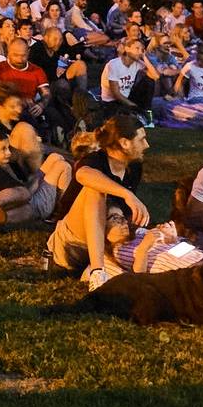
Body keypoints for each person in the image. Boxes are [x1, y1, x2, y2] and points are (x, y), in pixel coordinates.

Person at [48, 113, 151, 289]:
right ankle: (97, 273)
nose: (146, 145)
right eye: (141, 139)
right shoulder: (95, 160)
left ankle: (101, 266)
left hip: (108, 243)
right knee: (95, 189)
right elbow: (83, 174)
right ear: (124, 143)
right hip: (72, 242)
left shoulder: (134, 167)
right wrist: (128, 194)